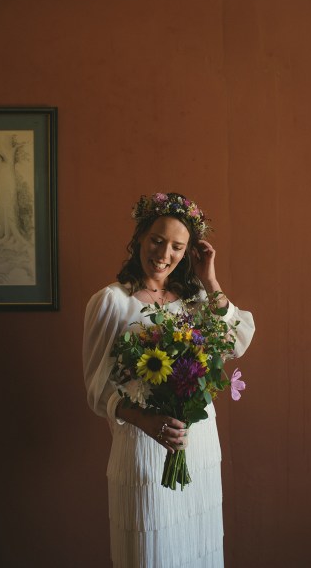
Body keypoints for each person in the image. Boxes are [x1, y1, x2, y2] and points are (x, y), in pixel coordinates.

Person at [83, 192, 255, 568]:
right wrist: (146, 421)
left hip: (198, 444)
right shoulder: (112, 301)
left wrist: (210, 280)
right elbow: (98, 389)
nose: (164, 253)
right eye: (157, 240)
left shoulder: (194, 298)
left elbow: (238, 342)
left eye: (178, 246)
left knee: (198, 547)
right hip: (143, 446)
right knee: (150, 550)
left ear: (189, 251)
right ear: (140, 237)